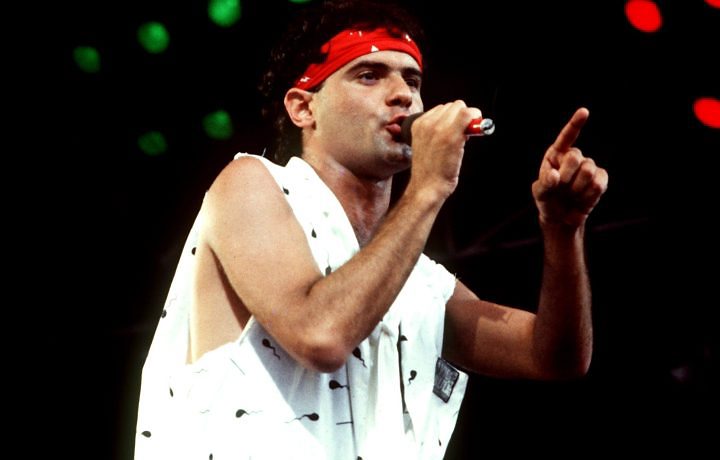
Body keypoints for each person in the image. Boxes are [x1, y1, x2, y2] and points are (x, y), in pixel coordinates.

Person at [133, 1, 608, 458]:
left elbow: (555, 357)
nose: (403, 95)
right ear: (303, 108)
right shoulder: (252, 183)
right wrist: (429, 186)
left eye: (412, 80)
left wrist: (563, 230)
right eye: (369, 75)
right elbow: (320, 334)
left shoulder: (417, 281)